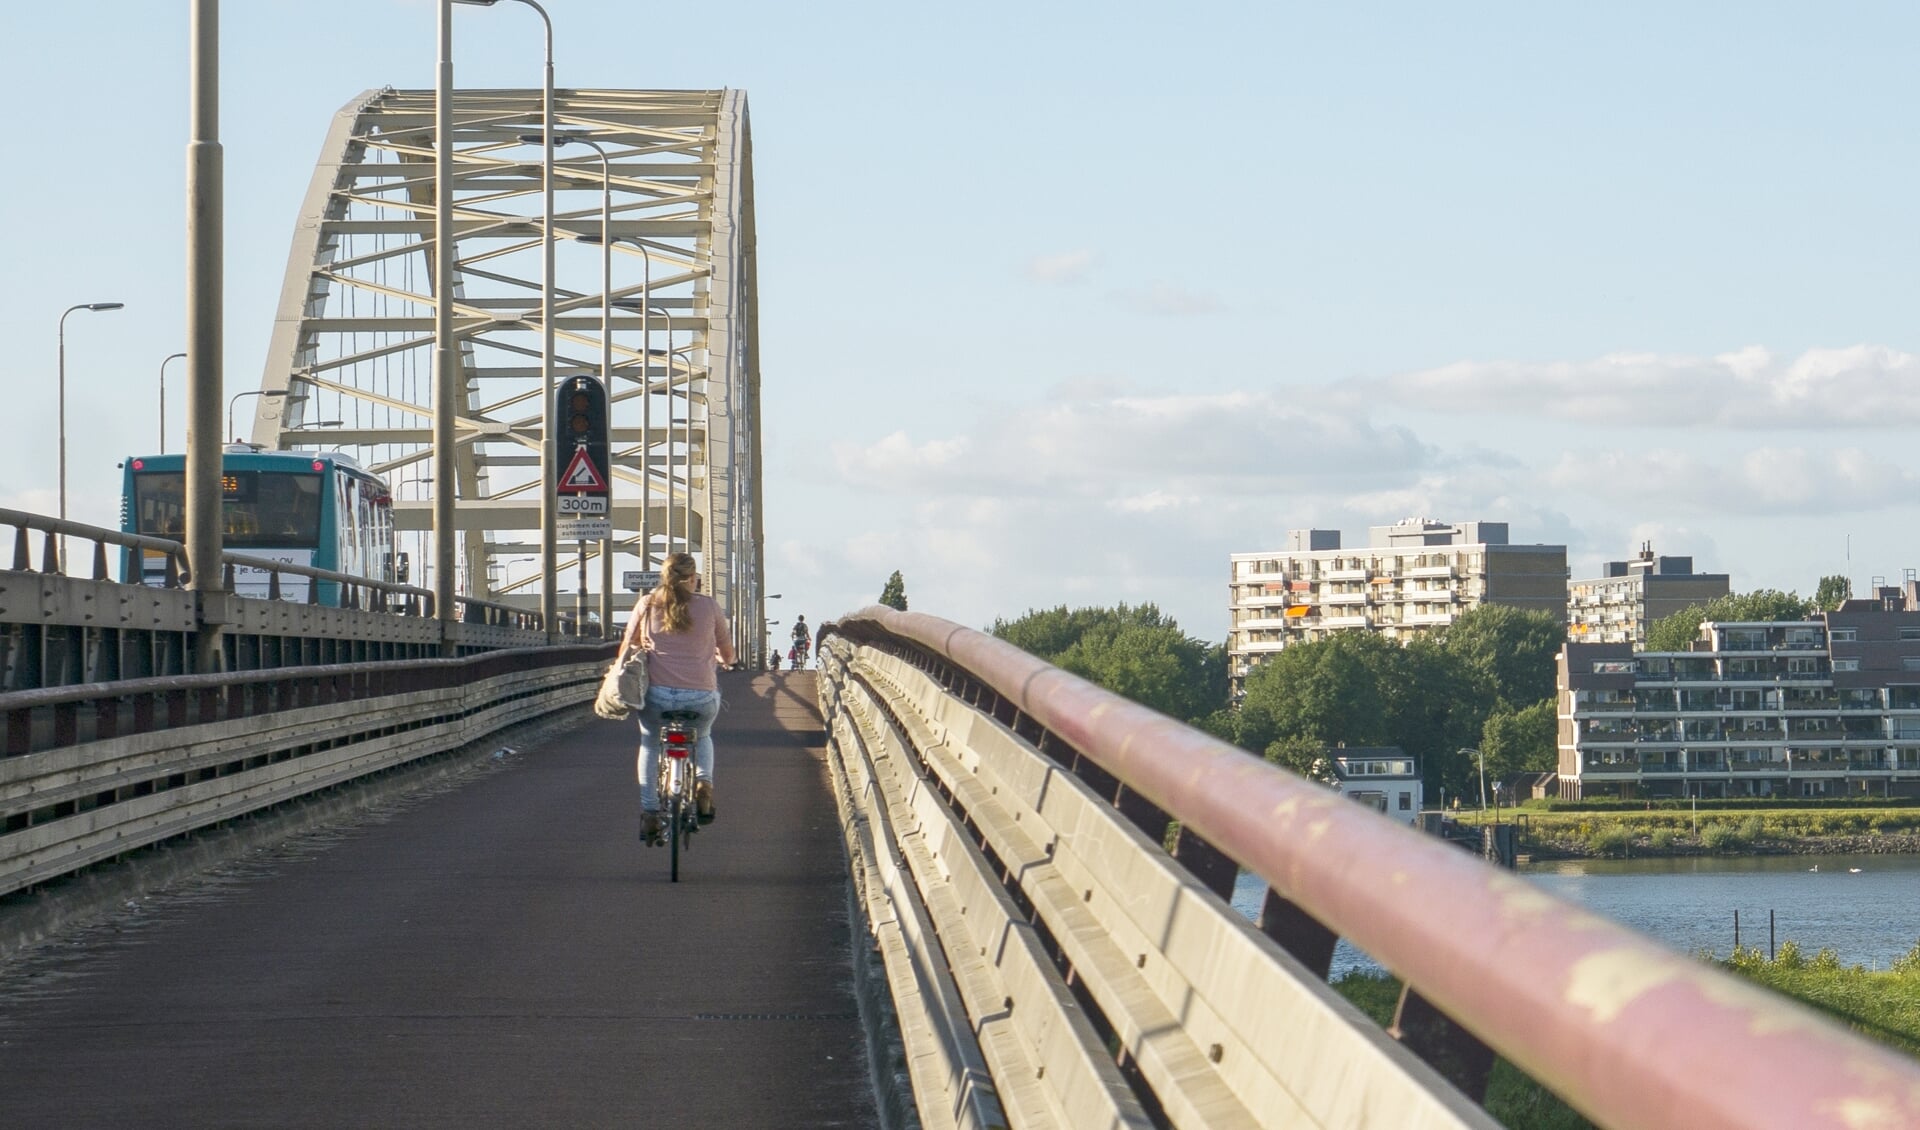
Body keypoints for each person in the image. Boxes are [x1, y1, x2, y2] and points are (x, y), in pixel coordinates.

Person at [620, 553, 735, 844]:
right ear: (694, 578)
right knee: (704, 734)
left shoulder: (647, 604)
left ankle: (649, 814)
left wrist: (644, 644)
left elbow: (626, 647)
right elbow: (728, 652)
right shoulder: (708, 606)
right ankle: (704, 786)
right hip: (700, 696)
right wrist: (724, 660)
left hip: (657, 697)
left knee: (649, 741)